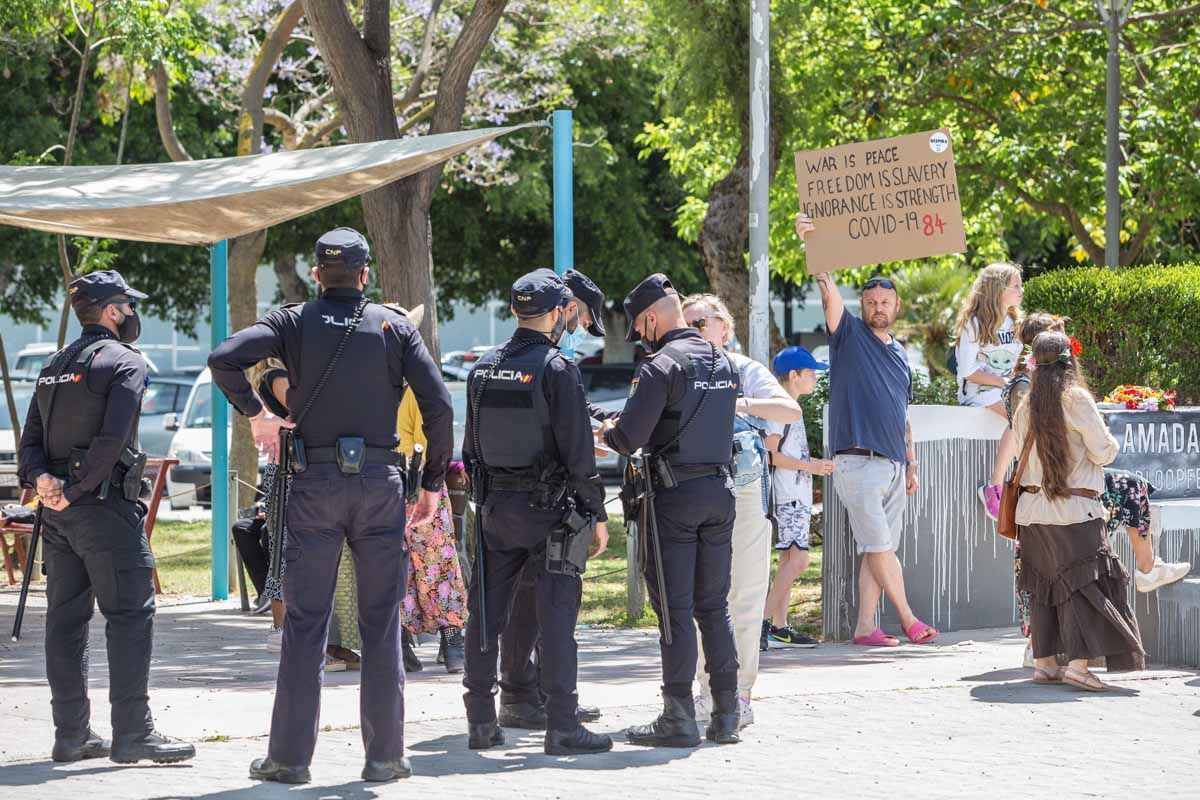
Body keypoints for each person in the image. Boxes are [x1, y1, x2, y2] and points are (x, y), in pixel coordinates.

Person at [208, 227, 453, 784]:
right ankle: (385, 756)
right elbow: (438, 407)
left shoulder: (292, 321)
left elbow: (223, 357)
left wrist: (257, 413)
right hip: (379, 483)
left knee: (306, 623)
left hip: (313, 484)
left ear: (318, 274)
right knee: (381, 623)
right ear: (365, 275)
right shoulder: (393, 325)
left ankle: (290, 760)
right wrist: (433, 483)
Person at [17, 269, 195, 765]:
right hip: (103, 507)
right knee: (131, 617)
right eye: (129, 305)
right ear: (113, 310)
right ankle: (133, 733)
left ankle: (71, 735)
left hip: (59, 515)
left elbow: (31, 440)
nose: (134, 313)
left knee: (65, 621)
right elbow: (113, 440)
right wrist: (74, 490)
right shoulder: (125, 362)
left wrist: (44, 484)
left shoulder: (54, 364)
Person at [462, 268, 612, 757]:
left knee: (485, 617)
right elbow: (578, 453)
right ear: (555, 314)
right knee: (557, 619)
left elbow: (471, 447)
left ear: (513, 310)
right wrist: (597, 512)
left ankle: (482, 722)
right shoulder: (556, 368)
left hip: (494, 510)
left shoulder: (482, 367)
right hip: (550, 513)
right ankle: (562, 725)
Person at [600, 273, 742, 747]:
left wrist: (605, 431)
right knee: (713, 607)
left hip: (675, 498)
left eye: (641, 329)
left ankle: (678, 715)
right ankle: (726, 712)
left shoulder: (661, 366)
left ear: (651, 316)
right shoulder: (721, 359)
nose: (642, 339)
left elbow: (629, 438)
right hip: (720, 495)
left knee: (675, 610)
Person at [797, 213, 938, 647]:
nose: (878, 307)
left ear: (896, 308)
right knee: (880, 547)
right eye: (871, 301)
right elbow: (827, 294)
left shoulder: (901, 356)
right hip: (857, 463)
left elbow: (903, 415)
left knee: (875, 550)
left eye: (885, 302)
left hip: (894, 466)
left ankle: (865, 627)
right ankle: (910, 620)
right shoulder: (849, 336)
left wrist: (911, 464)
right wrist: (814, 249)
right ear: (864, 306)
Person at [679, 292, 804, 729]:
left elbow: (789, 409)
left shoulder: (744, 370)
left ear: (724, 329)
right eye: (685, 324)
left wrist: (738, 404)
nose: (692, 332)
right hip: (692, 489)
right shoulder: (676, 370)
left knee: (746, 594)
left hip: (746, 489)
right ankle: (704, 691)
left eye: (700, 323)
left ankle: (740, 692)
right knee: (699, 594)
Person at [496, 268, 606, 730]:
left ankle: (523, 694)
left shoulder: (500, 360)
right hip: (546, 503)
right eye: (580, 319)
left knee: (522, 604)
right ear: (566, 308)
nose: (579, 329)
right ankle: (546, 701)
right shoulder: (551, 363)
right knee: (551, 605)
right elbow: (574, 444)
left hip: (504, 507)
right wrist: (597, 512)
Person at [1012, 331, 1145, 691]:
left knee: (1045, 586)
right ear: (1069, 360)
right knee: (1086, 586)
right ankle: (1078, 665)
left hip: (1033, 512)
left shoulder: (1026, 404)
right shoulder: (1076, 398)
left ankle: (1044, 664)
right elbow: (1104, 452)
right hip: (1075, 510)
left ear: (1035, 364)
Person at [761, 347, 833, 647]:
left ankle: (779, 625)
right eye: (811, 374)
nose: (815, 379)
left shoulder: (792, 408)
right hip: (787, 497)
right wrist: (810, 466)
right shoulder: (781, 409)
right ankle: (761, 624)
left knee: (790, 559)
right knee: (800, 559)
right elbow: (771, 455)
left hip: (796, 496)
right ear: (794, 376)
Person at [397, 378, 468, 675]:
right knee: (405, 568)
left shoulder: (416, 388)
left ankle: (450, 639)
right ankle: (402, 641)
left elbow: (431, 439)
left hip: (416, 481)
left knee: (435, 563)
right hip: (395, 482)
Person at [953, 263, 1024, 517]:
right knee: (1022, 418)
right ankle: (994, 486)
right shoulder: (974, 324)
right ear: (997, 289)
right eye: (1015, 285)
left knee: (1033, 416)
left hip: (1005, 389)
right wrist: (1003, 383)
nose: (1020, 290)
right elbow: (967, 372)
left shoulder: (1015, 321)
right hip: (979, 392)